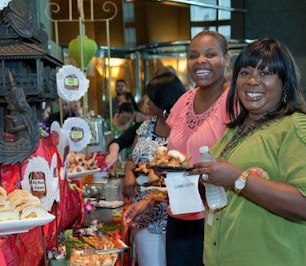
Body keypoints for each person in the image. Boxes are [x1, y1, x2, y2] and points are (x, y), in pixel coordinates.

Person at [189, 38, 306, 265]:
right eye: (245, 73)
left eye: (265, 73)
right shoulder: (233, 131)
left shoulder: (294, 126)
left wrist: (237, 178)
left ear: (284, 82)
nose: (252, 81)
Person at [165, 30, 231, 266]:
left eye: (210, 54)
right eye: (193, 56)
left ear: (226, 60)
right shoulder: (184, 100)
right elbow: (168, 149)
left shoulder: (235, 100)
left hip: (216, 214)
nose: (200, 61)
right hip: (178, 211)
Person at [122, 67, 187, 266]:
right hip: (143, 215)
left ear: (166, 101)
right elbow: (133, 158)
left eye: (153, 99)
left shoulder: (184, 130)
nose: (148, 103)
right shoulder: (146, 126)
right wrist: (129, 175)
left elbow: (183, 174)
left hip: (173, 215)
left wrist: (151, 197)